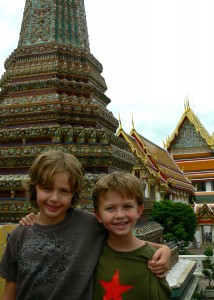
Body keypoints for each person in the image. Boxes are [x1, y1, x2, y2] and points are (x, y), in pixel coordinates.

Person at [0, 150, 171, 300]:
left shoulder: (89, 224)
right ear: (34, 188)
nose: (54, 198)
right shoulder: (19, 235)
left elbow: (128, 242)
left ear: (73, 193)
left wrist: (164, 250)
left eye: (63, 191)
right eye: (46, 188)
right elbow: (10, 291)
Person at [92, 171, 171, 299]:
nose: (120, 215)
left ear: (140, 210)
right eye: (110, 208)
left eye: (127, 206)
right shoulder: (93, 250)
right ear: (98, 215)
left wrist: (165, 249)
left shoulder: (153, 260)